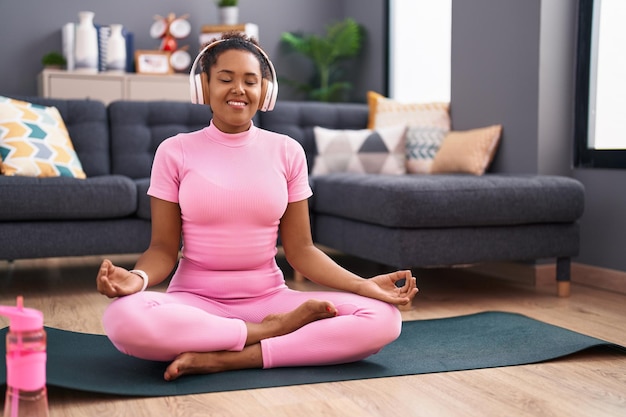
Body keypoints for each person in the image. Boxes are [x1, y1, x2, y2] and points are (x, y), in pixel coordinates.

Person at [96, 32, 418, 382]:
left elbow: (302, 250)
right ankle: (266, 333)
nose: (239, 89)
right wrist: (138, 278)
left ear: (265, 90)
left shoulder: (287, 151)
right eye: (225, 79)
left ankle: (233, 357)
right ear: (203, 86)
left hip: (269, 297)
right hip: (195, 300)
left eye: (250, 81)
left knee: (384, 318)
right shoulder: (174, 151)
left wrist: (362, 285)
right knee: (123, 318)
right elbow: (161, 248)